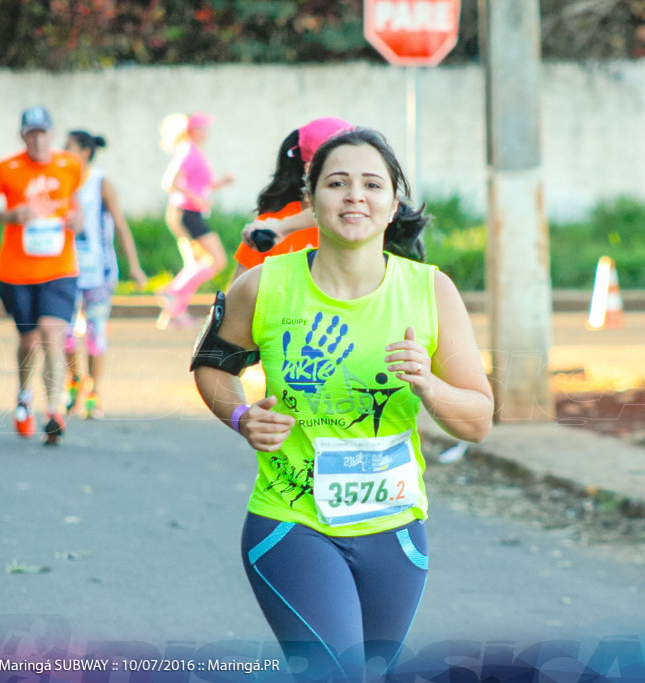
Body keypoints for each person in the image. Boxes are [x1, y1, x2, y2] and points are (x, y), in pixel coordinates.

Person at [192, 128, 494, 681]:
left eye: (371, 184)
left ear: (392, 204)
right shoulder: (264, 286)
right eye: (337, 183)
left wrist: (429, 384)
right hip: (292, 523)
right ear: (309, 201)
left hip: (396, 531)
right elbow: (212, 364)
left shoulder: (431, 291)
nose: (355, 195)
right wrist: (241, 415)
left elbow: (477, 420)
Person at [0, 106, 84, 445]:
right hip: (17, 271)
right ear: (24, 135)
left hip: (60, 267)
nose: (37, 139)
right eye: (31, 133)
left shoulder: (70, 165)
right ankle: (24, 396)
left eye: (42, 132)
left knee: (52, 334)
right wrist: (9, 215)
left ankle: (53, 412)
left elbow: (75, 203)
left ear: (51, 134)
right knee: (28, 340)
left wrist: (77, 219)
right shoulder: (6, 169)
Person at [62, 130, 148, 420]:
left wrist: (134, 266)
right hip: (65, 271)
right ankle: (75, 380)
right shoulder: (60, 180)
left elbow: (121, 226)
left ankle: (94, 393)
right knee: (65, 333)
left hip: (99, 272)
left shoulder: (101, 184)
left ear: (85, 152)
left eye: (68, 147)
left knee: (96, 334)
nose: (62, 151)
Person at [231, 116, 352, 282]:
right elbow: (232, 302)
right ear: (311, 169)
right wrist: (279, 227)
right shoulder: (267, 228)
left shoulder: (361, 221)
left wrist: (282, 226)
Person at [156, 112, 235, 329]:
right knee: (217, 260)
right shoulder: (187, 151)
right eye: (203, 128)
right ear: (193, 131)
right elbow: (170, 182)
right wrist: (197, 199)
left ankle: (174, 313)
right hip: (186, 214)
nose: (206, 132)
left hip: (188, 213)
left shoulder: (193, 152)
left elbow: (201, 185)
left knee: (194, 265)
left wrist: (222, 183)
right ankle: (172, 291)